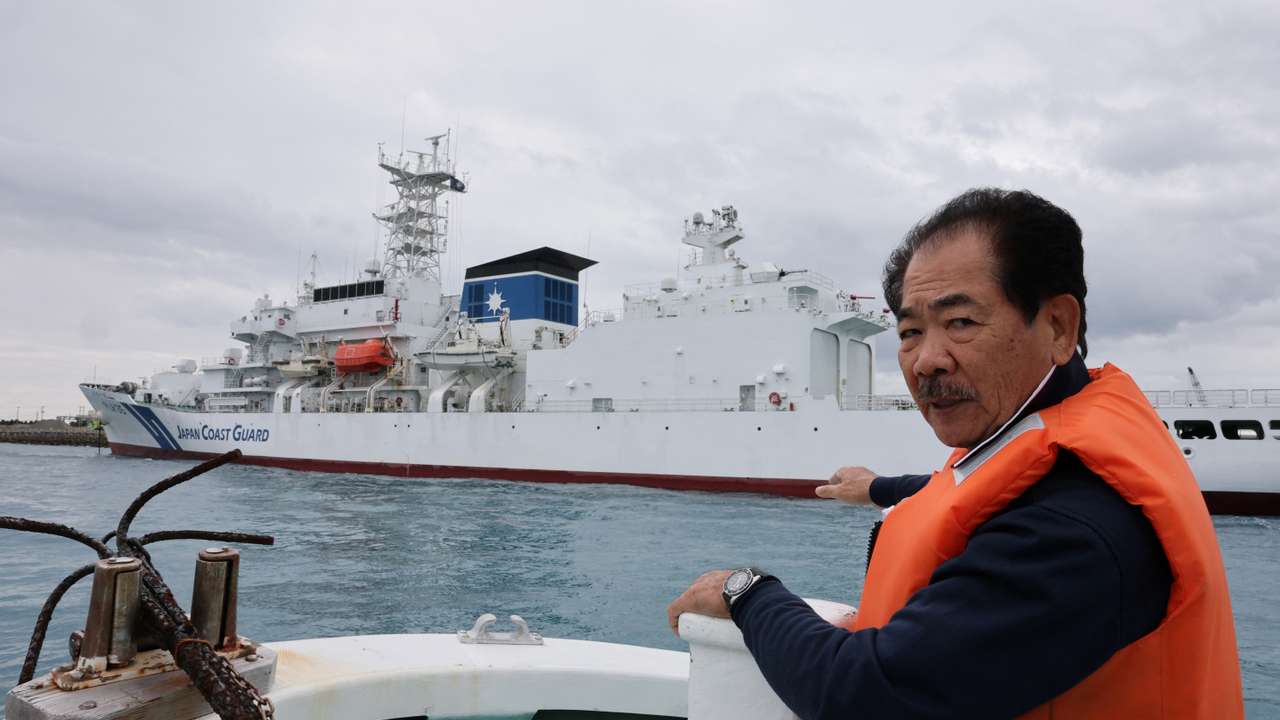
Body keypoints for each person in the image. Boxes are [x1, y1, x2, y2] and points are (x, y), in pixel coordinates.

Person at [667, 189, 1243, 718]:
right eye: (910, 331)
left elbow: (864, 696)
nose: (926, 360)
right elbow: (967, 490)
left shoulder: (1073, 530)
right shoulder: (1046, 437)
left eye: (960, 322)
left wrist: (748, 591)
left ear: (1059, 326)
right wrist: (877, 488)